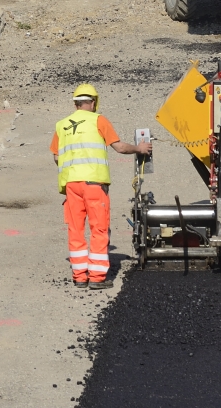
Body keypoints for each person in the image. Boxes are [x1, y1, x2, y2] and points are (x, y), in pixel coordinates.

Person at [52, 84, 151, 288]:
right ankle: (97, 278)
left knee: (75, 229)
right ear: (94, 102)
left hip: (71, 185)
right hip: (94, 185)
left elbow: (56, 156)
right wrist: (139, 149)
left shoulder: (61, 125)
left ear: (75, 103)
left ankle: (79, 277)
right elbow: (119, 147)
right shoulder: (99, 120)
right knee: (99, 229)